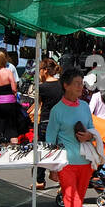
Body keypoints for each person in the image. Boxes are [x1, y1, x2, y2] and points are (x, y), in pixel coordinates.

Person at [45, 66, 103, 207]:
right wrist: (52, 169)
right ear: (65, 85)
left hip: (85, 163)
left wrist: (89, 135)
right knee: (75, 206)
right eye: (77, 83)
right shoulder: (57, 111)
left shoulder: (85, 106)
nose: (81, 87)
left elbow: (93, 129)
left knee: (73, 205)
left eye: (81, 83)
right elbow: (50, 140)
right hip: (66, 164)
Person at [0, 50, 28, 142]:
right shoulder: (8, 72)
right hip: (9, 102)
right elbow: (14, 89)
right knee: (11, 128)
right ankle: (13, 146)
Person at [34, 58, 63, 188]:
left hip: (46, 121)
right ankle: (58, 175)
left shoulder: (42, 87)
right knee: (60, 151)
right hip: (60, 122)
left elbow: (39, 105)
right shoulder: (62, 85)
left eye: (40, 69)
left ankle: (40, 180)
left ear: (45, 70)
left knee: (42, 150)